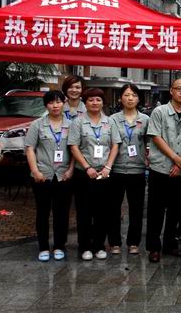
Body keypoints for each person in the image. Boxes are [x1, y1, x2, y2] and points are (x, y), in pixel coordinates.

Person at [68, 88, 121, 261]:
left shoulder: (110, 122)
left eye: (98, 99)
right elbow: (74, 146)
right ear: (85, 102)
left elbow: (115, 145)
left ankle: (99, 245)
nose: (95, 103)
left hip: (104, 174)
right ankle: (85, 246)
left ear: (103, 102)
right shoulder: (78, 122)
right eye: (91, 100)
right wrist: (87, 167)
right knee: (84, 212)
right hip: (84, 174)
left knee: (102, 212)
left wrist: (108, 167)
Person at [146, 78, 181, 263]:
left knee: (176, 210)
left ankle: (169, 244)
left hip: (180, 170)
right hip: (160, 168)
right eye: (179, 89)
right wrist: (175, 159)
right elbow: (156, 137)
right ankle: (154, 247)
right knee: (156, 210)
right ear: (171, 91)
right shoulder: (159, 112)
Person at [25, 90, 74, 262]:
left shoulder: (71, 125)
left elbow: (74, 150)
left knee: (62, 213)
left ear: (64, 103)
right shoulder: (37, 125)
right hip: (42, 175)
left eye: (58, 102)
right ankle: (43, 247)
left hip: (63, 176)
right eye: (51, 102)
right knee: (42, 213)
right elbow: (30, 148)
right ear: (46, 105)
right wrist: (35, 171)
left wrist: (71, 170)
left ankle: (59, 245)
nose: (55, 105)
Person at [108, 84, 149, 255]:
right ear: (120, 98)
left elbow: (149, 142)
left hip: (137, 170)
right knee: (113, 208)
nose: (130, 98)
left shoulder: (145, 119)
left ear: (138, 99)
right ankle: (114, 242)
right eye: (126, 95)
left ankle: (133, 242)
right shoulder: (112, 119)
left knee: (136, 209)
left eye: (133, 95)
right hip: (116, 170)